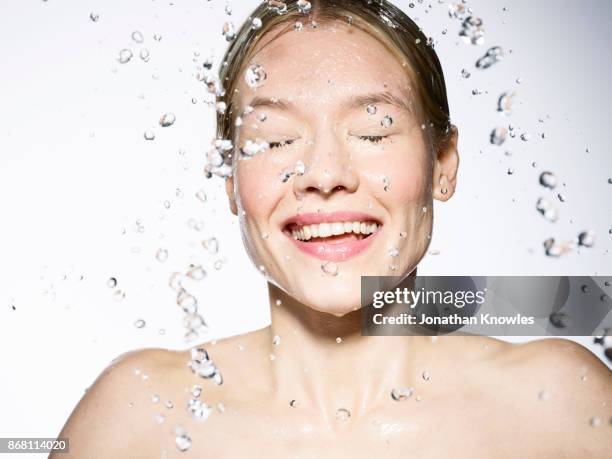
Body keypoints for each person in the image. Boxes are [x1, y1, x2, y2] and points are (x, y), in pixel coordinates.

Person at [54, 1, 611, 457]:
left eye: (373, 131)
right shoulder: (137, 418)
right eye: (274, 140)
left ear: (443, 164)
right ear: (230, 179)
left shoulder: (557, 405)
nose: (323, 174)